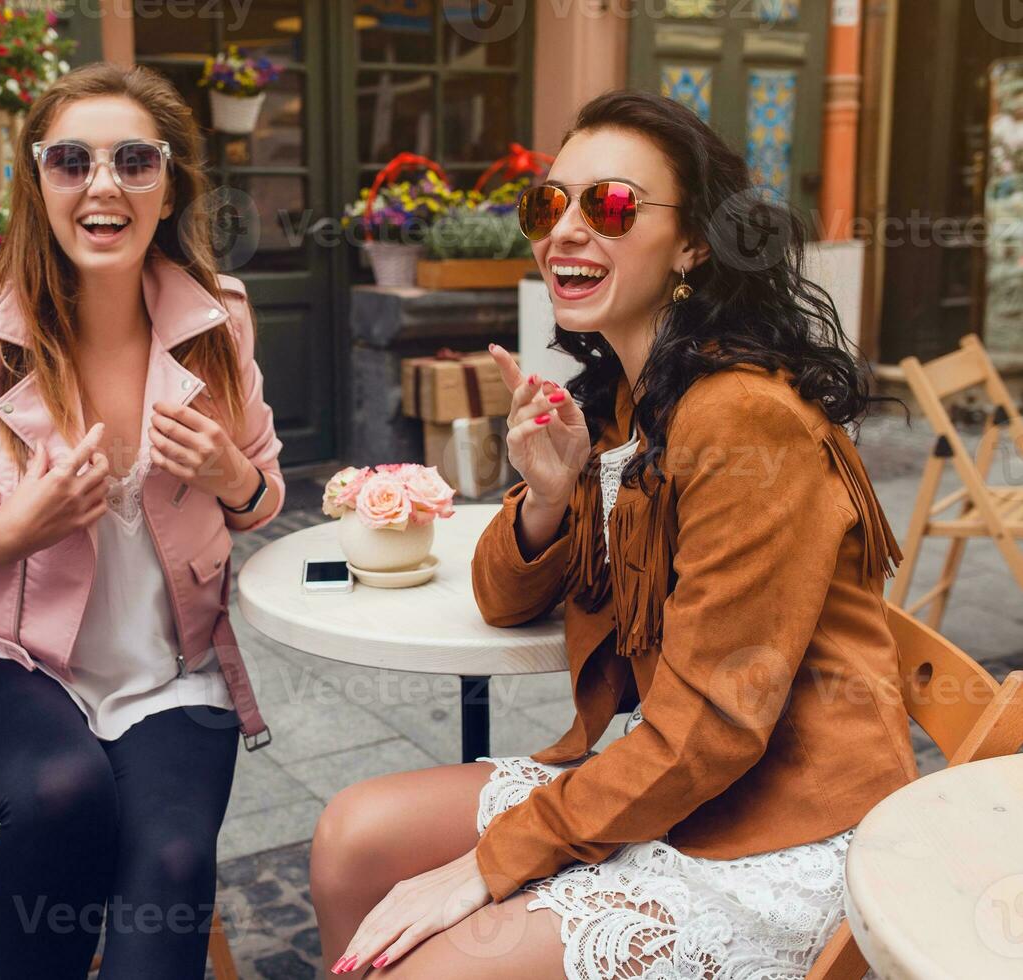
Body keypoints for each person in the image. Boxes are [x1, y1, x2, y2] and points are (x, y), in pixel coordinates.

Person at [309, 90, 918, 979]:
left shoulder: (742, 417)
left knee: (429, 967)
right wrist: (549, 498)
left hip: (780, 828)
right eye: (547, 205)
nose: (564, 230)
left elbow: (712, 727)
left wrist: (486, 867)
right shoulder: (631, 399)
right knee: (348, 839)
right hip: (668, 778)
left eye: (613, 205)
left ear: (695, 242)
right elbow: (499, 602)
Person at [0, 62, 284, 979]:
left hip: (174, 677)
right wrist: (12, 532)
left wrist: (230, 474)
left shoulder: (221, 323)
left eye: (135, 159)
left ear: (168, 184)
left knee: (175, 860)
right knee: (65, 792)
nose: (104, 184)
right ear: (39, 182)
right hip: (3, 672)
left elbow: (264, 500)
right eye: (72, 160)